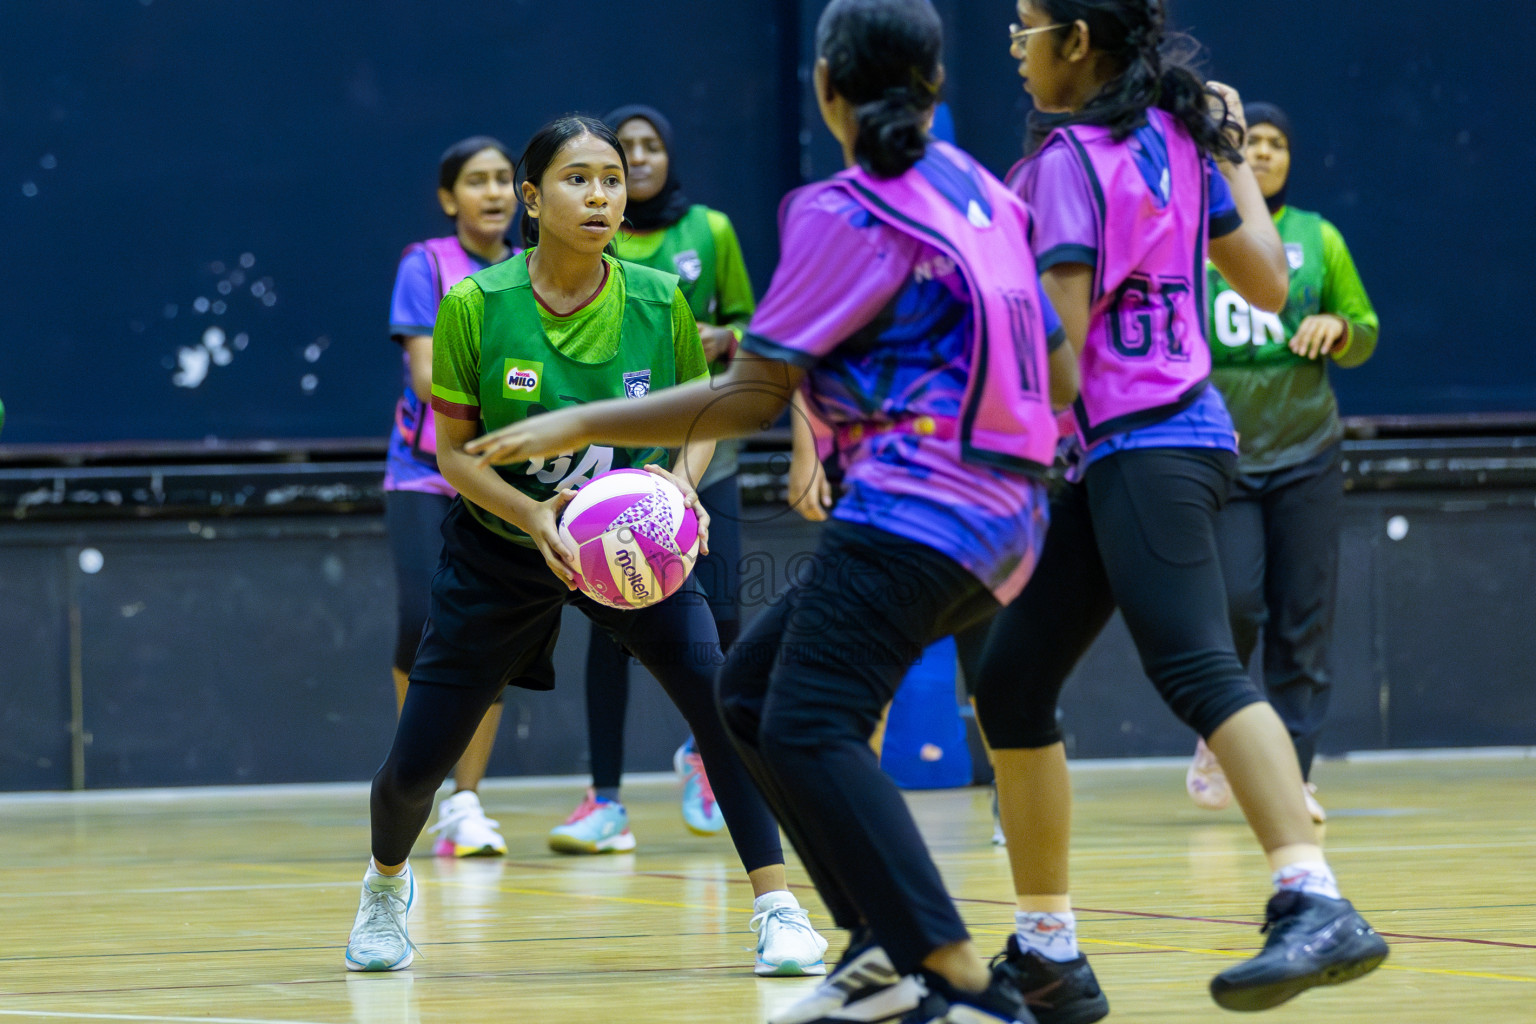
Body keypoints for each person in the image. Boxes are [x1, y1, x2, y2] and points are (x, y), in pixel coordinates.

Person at [465, 3, 1079, 1020]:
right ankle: (882, 948)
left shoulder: (844, 207)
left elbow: (749, 394)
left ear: (826, 87)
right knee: (747, 693)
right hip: (1020, 509)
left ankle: (965, 979)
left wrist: (574, 420)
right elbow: (1060, 371)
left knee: (808, 721)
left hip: (923, 510)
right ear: (934, 86)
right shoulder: (984, 189)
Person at [970, 1, 1389, 1016]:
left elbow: (1060, 356)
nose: (1015, 47)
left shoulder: (1069, 159)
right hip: (1147, 443)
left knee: (1197, 663)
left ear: (1076, 39)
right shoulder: (1172, 137)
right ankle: (1047, 950)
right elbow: (1269, 280)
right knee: (1014, 680)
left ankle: (1313, 893)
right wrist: (1227, 148)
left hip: (1140, 439)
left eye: (1026, 25)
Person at [344, 114, 827, 978]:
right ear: (532, 198)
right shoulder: (475, 305)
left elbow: (699, 418)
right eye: (578, 179)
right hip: (501, 547)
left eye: (612, 178)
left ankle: (778, 907)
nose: (602, 193)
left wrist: (680, 481)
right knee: (415, 767)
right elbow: (453, 452)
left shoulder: (656, 298)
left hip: (631, 542)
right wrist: (534, 519)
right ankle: (385, 885)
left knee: (722, 708)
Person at [549, 103, 756, 853]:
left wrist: (724, 337)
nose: (636, 160)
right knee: (612, 627)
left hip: (704, 456)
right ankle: (605, 798)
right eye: (619, 151)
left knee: (716, 623)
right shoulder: (584, 245)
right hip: (612, 472)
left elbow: (756, 327)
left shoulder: (712, 230)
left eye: (648, 147)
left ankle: (707, 758)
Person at [1185, 102, 1380, 823]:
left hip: (1307, 452)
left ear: (1289, 159)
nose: (1263, 154)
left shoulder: (1317, 238)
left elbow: (1364, 332)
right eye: (1252, 142)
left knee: (1304, 621)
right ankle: (1220, 732)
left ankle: (1293, 776)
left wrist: (1338, 328)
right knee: (1234, 606)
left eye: (1276, 144)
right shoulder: (1198, 233)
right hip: (1226, 455)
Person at [384, 136, 518, 858]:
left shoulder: (530, 274)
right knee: (417, 620)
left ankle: (466, 801)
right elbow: (427, 373)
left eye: (504, 178)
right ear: (450, 198)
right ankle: (419, 782)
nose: (494, 192)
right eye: (477, 181)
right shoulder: (426, 264)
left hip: (501, 478)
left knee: (488, 634)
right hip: (423, 472)